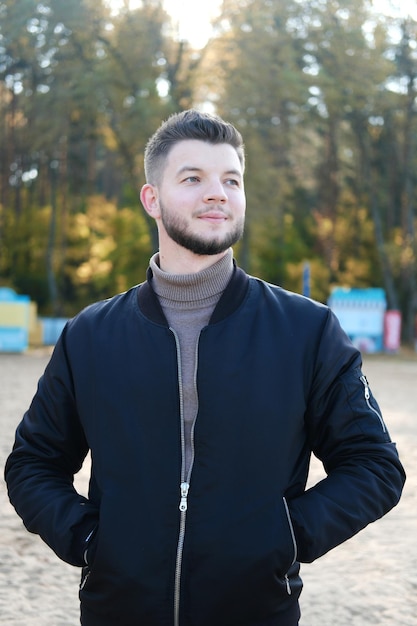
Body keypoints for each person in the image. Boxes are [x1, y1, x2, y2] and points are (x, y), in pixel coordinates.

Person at [5, 109, 405, 626]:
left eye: (231, 180)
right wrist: (89, 541)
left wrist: (286, 535)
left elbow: (375, 466)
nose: (217, 192)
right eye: (192, 178)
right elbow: (32, 463)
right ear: (152, 199)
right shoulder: (91, 335)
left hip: (257, 611)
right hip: (118, 610)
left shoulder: (307, 330)